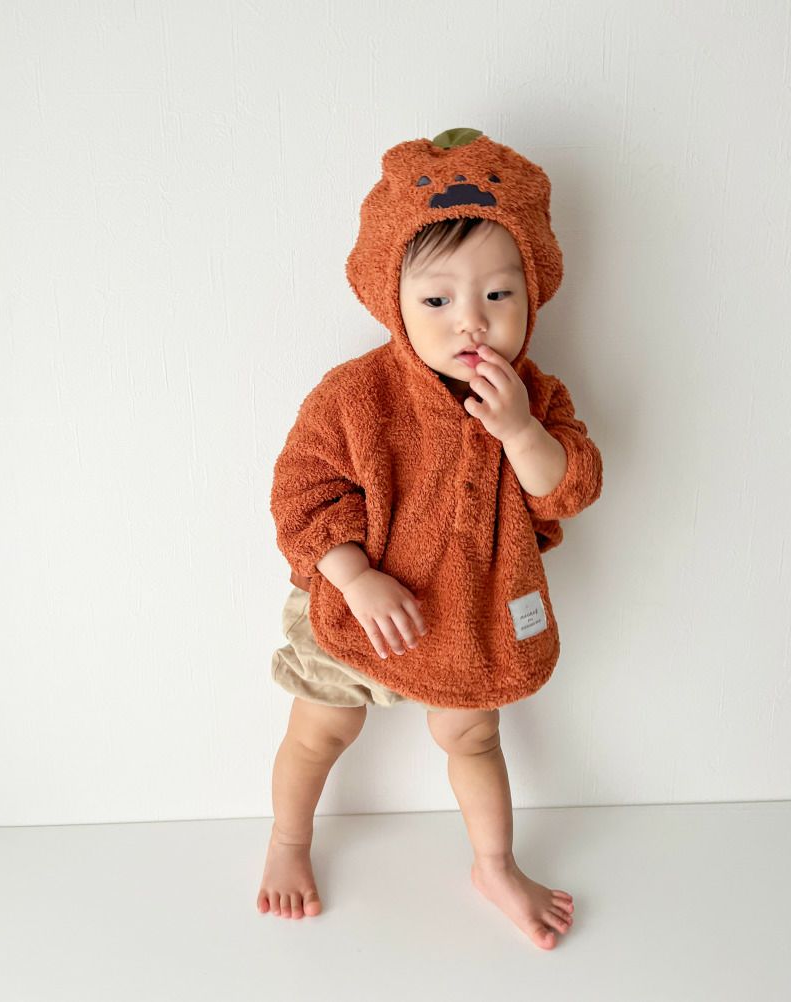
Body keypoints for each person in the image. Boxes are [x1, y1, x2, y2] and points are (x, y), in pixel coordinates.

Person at [258, 127, 603, 950]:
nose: (472, 323)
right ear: (394, 300)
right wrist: (353, 576)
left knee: (472, 735)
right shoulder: (355, 396)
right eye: (438, 301)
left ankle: (495, 865)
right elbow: (300, 494)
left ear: (533, 294)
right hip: (357, 602)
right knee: (319, 729)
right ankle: (288, 842)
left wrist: (520, 431)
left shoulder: (535, 396)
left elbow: (572, 487)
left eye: (499, 294)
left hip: (468, 611)